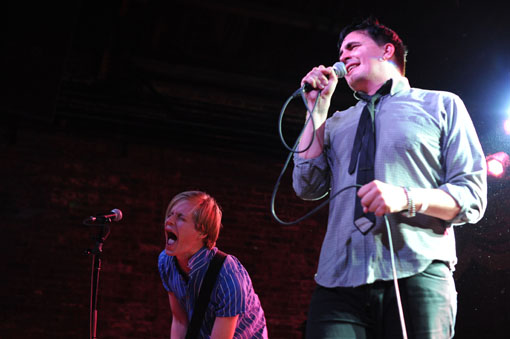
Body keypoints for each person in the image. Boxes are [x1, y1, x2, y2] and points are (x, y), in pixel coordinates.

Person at [292, 18, 487, 338]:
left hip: (418, 270)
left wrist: (406, 197)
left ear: (387, 50)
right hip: (339, 280)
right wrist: (317, 107)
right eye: (340, 51)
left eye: (352, 47)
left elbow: (472, 195)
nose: (342, 56)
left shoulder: (441, 104)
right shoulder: (337, 123)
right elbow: (306, 186)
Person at [158, 191, 268, 338]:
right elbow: (180, 322)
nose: (169, 221)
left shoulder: (228, 277)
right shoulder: (166, 262)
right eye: (170, 214)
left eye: (180, 218)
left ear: (202, 231)